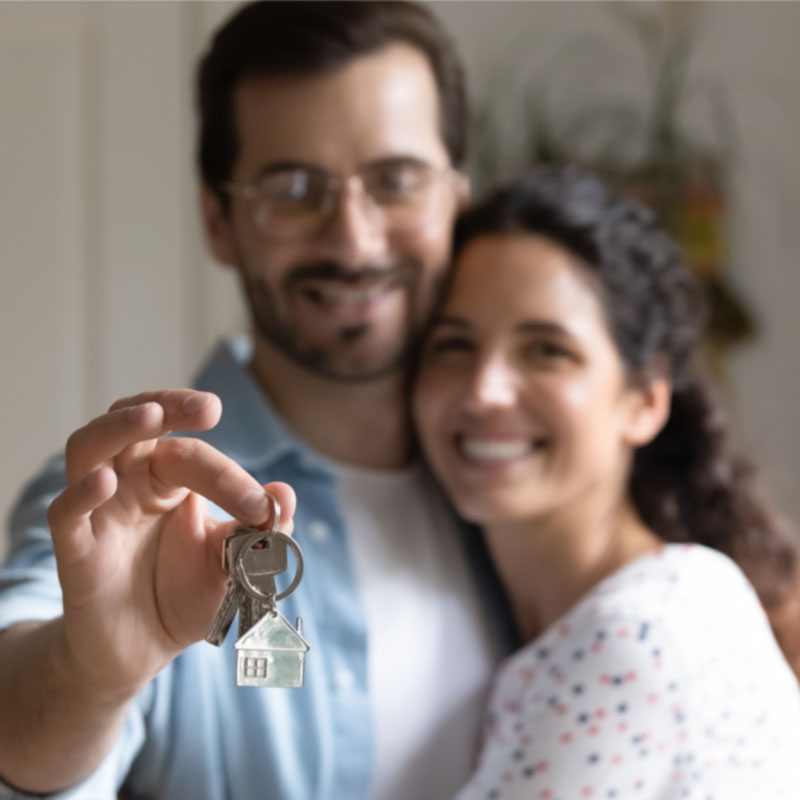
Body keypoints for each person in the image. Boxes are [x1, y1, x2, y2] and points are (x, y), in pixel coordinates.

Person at [0, 3, 513, 799]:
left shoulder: (519, 474)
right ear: (220, 221)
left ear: (456, 198)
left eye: (396, 182)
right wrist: (86, 675)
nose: (353, 241)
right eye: (294, 189)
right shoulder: (131, 510)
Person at [410, 166, 800, 798]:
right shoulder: (657, 600)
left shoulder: (631, 637)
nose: (484, 390)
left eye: (546, 350)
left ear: (645, 400)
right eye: (453, 346)